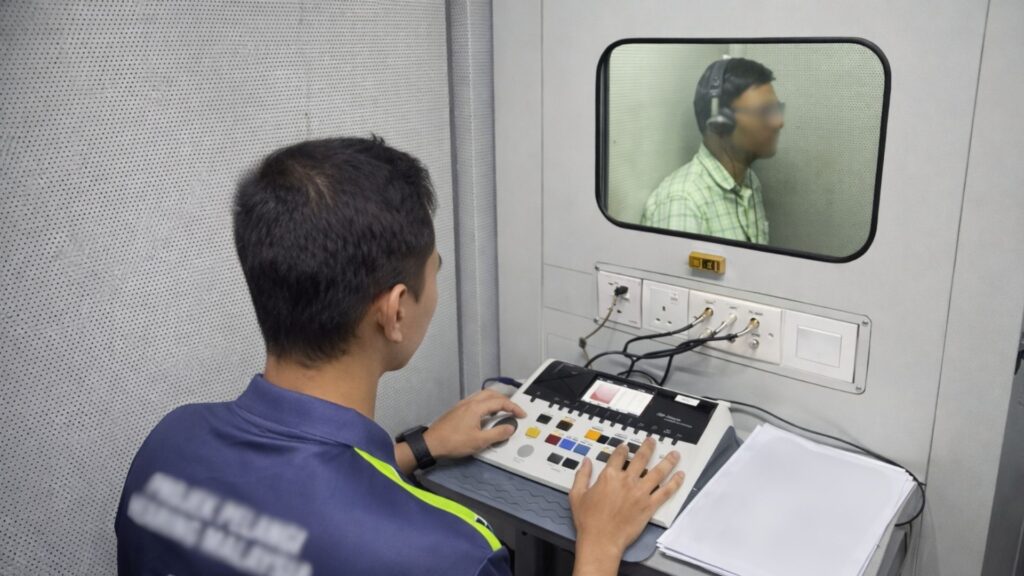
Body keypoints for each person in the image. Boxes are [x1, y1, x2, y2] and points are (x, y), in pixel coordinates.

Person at [115, 136, 686, 576]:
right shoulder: (451, 553)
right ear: (394, 311)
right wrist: (601, 546)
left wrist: (419, 448)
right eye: (432, 272)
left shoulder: (168, 445)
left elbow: (288, 503)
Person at [641, 57, 783, 244]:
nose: (779, 122)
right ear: (720, 123)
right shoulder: (683, 203)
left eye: (777, 110)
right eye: (765, 112)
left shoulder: (749, 181)